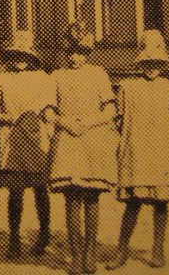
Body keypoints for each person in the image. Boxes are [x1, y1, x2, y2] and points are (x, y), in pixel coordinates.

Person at [106, 30, 169, 271]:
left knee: (160, 203)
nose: (152, 67)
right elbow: (118, 121)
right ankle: (121, 250)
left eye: (157, 63)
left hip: (162, 151)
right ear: (140, 62)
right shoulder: (127, 88)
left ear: (163, 63)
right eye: (147, 62)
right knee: (134, 203)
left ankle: (158, 249)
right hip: (137, 151)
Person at [46, 22, 118, 275]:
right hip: (67, 140)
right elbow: (48, 110)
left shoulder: (98, 74)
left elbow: (110, 110)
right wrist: (64, 122)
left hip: (93, 140)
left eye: (80, 52)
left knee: (91, 198)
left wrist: (88, 123)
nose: (75, 57)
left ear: (87, 53)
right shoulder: (56, 76)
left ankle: (90, 253)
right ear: (66, 53)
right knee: (72, 198)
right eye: (71, 52)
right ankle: (76, 255)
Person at [0, 48, 56, 260]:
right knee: (15, 192)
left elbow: (49, 109)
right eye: (16, 56)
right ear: (10, 58)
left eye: (24, 56)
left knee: (40, 189)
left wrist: (45, 119)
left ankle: (44, 234)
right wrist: (4, 117)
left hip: (37, 139)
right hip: (11, 140)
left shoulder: (43, 78)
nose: (20, 61)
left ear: (32, 58)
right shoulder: (3, 79)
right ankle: (14, 238)